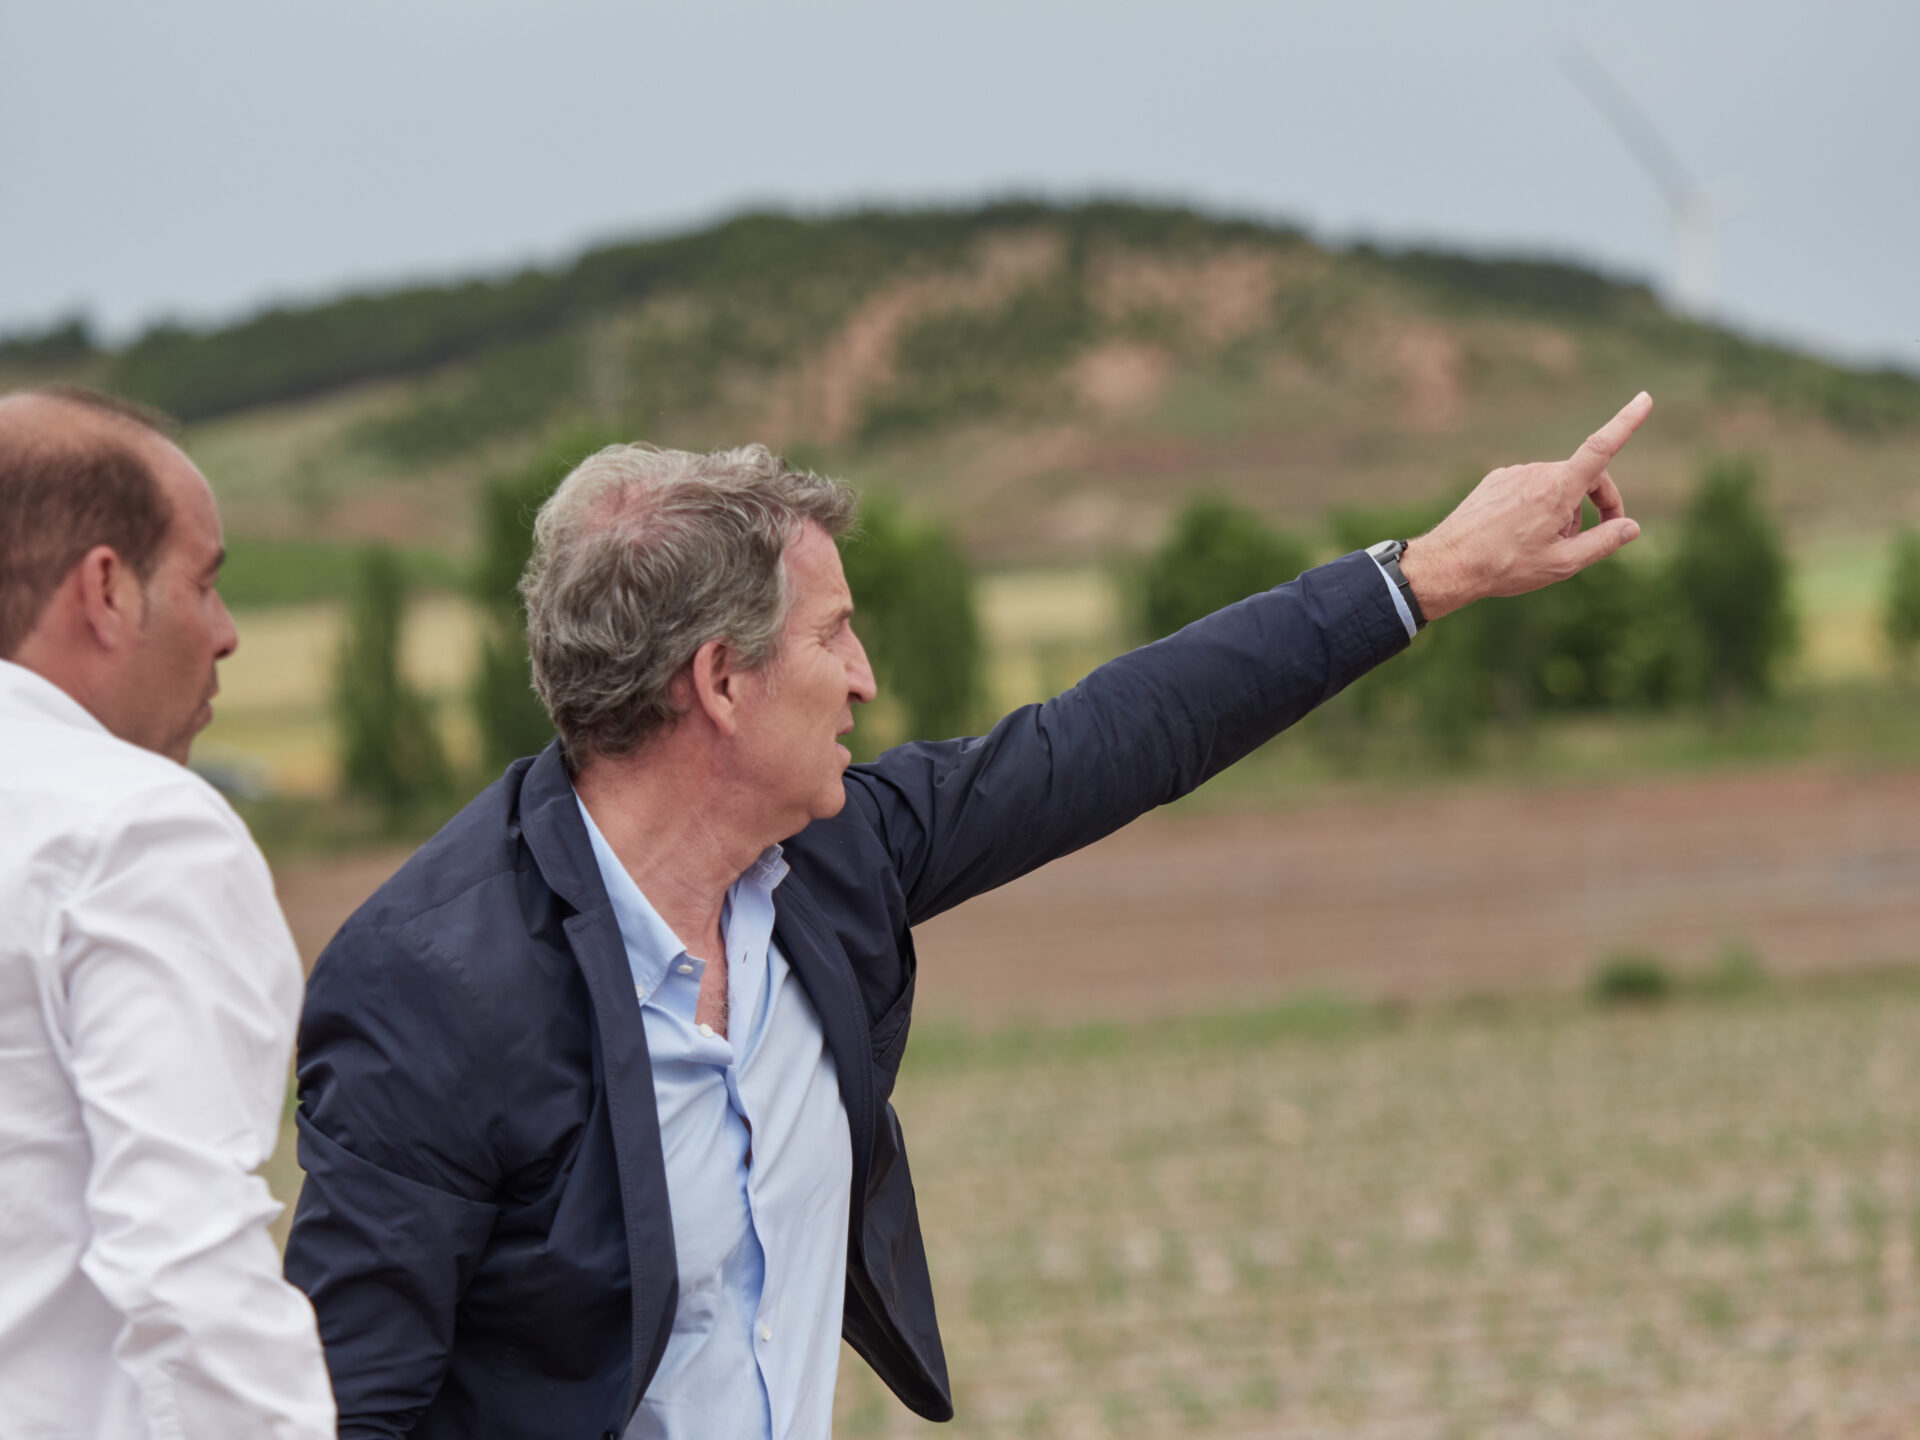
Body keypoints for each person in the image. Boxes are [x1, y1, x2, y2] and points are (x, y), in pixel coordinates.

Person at [286, 394, 1653, 1439]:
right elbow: (347, 1411)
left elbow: (1120, 734)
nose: (866, 678)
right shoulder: (431, 992)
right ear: (720, 682)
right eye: (833, 633)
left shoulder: (830, 859)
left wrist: (1427, 573)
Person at [0, 388, 336, 1440]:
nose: (225, 634)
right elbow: (186, 1261)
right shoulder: (134, 829)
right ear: (106, 589)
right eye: (203, 581)